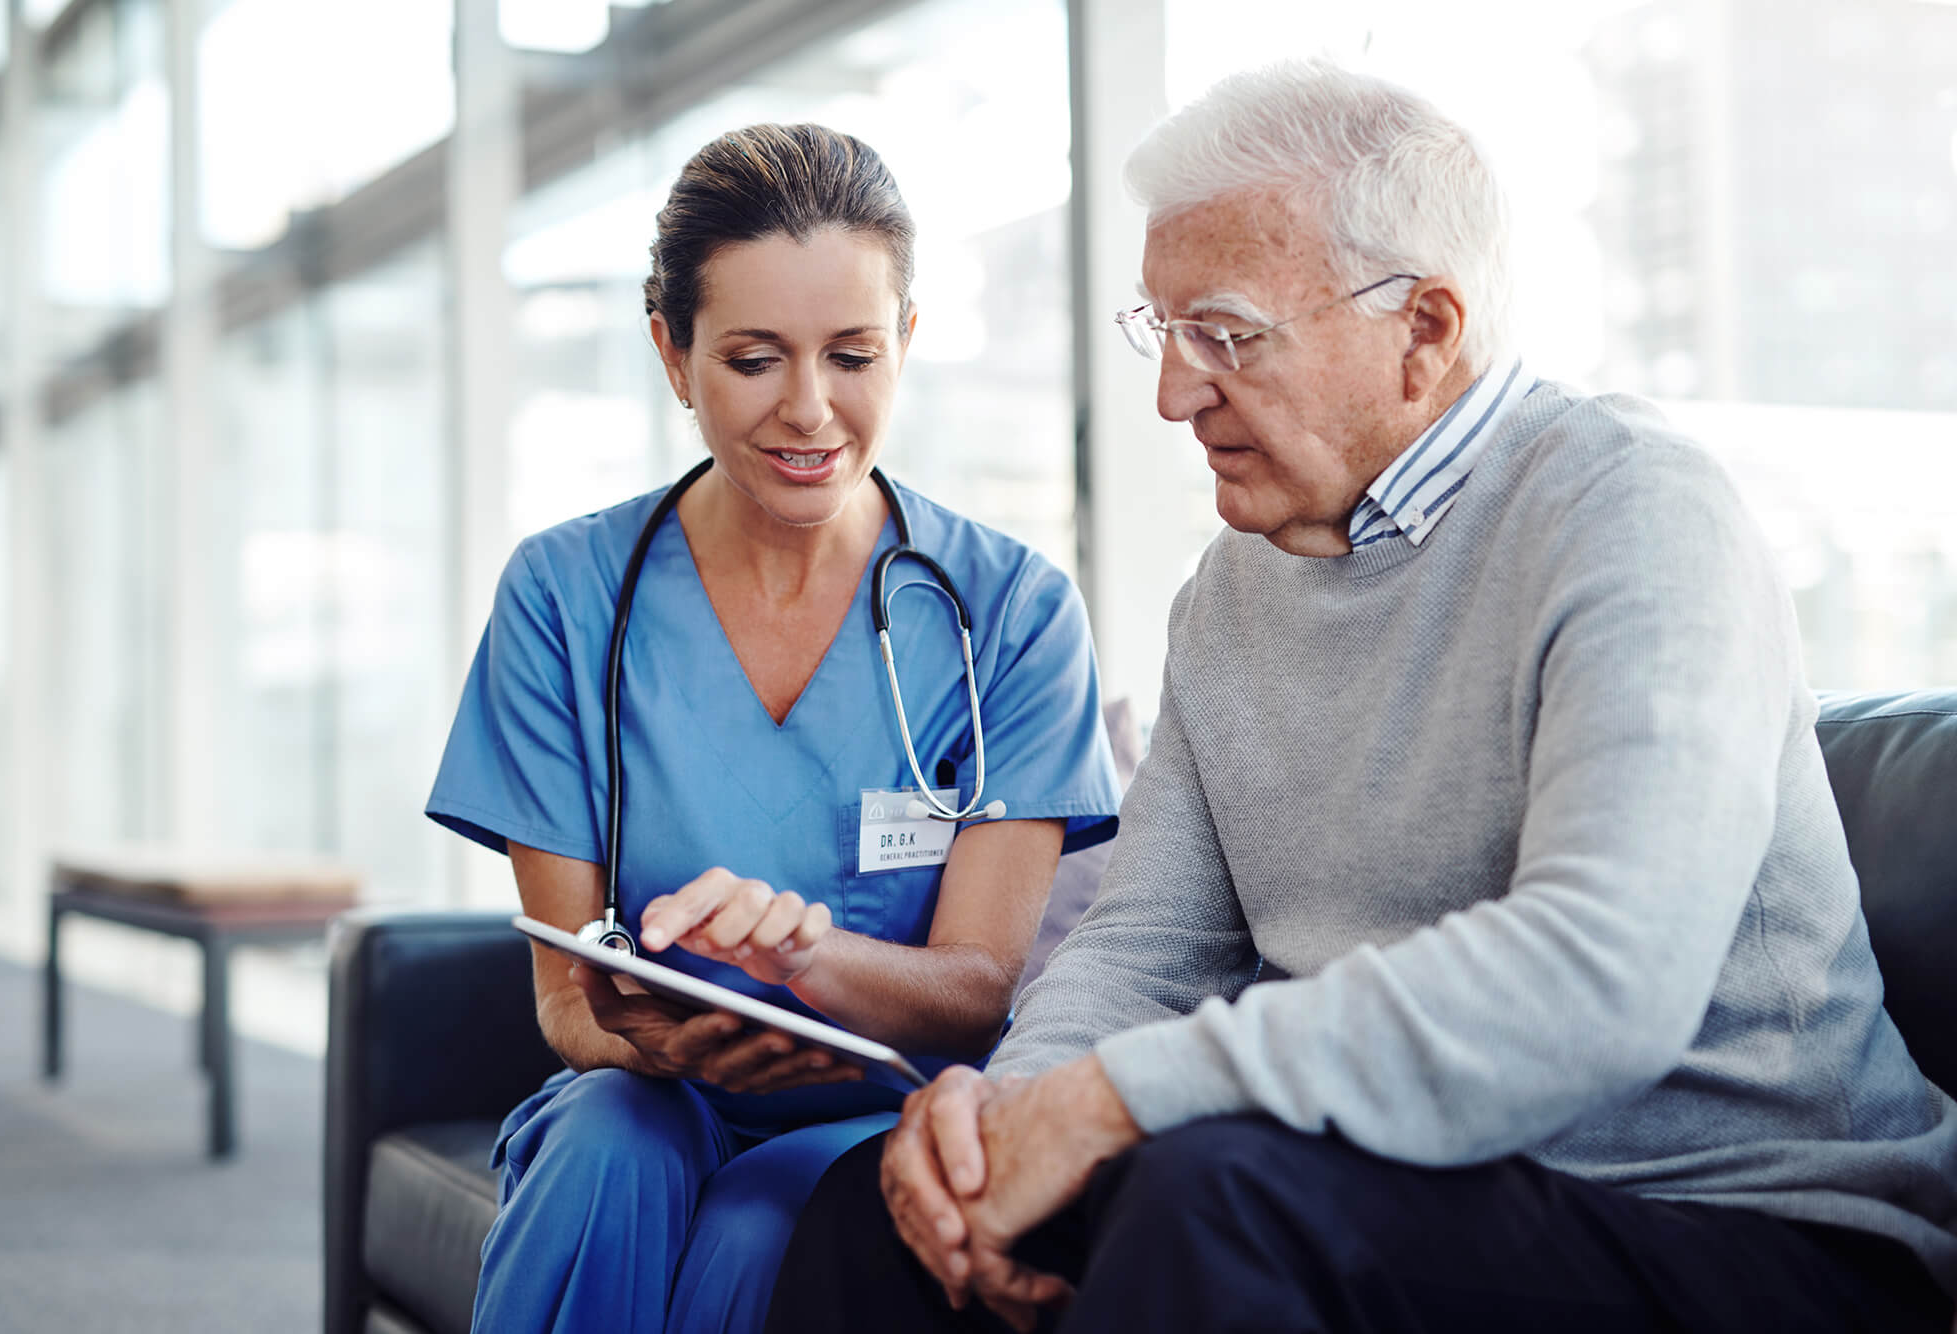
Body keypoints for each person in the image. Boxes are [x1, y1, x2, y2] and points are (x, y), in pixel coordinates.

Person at [765, 61, 1957, 1334]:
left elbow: (1601, 974)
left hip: (1746, 1223)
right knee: (872, 1210)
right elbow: (1145, 945)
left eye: (1222, 333)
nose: (1173, 392)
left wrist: (1116, 1100)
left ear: (1423, 329)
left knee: (1210, 1198)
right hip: (1395, 1191)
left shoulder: (1633, 509)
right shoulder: (1226, 594)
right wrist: (1010, 1118)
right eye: (1160, 332)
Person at [425, 122, 1121, 1334]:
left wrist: (800, 966)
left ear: (905, 341)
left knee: (761, 1221)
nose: (810, 411)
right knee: (604, 1148)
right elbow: (566, 1000)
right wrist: (644, 1035)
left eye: (852, 354)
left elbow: (976, 990)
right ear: (671, 352)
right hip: (647, 1093)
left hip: (885, 1103)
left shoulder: (1009, 611)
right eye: (753, 358)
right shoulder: (563, 595)